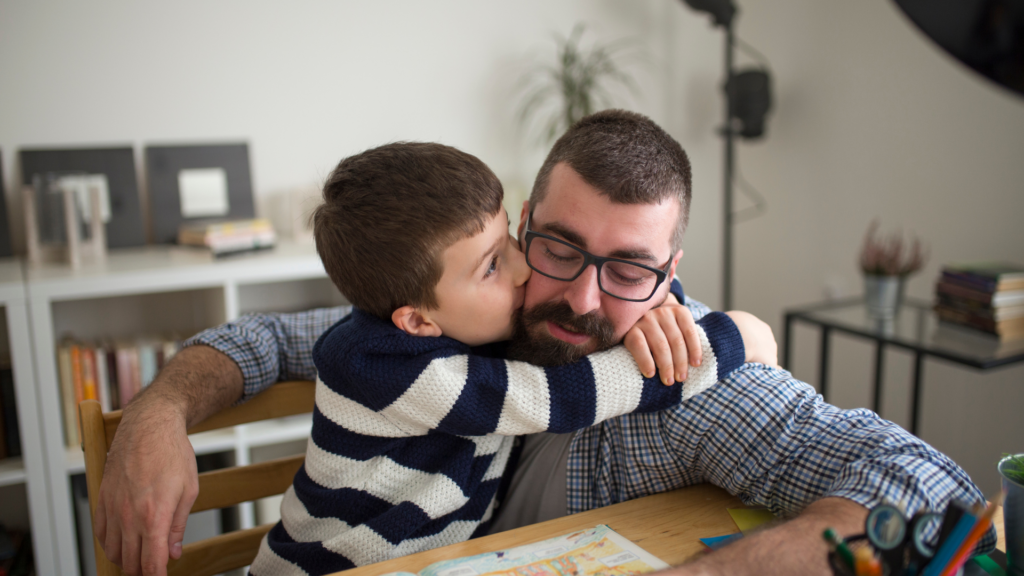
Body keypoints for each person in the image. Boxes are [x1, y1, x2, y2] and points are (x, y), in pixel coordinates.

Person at [96, 110, 993, 576]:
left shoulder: (674, 371)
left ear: (673, 269)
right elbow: (269, 340)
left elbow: (922, 488)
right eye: (558, 246)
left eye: (630, 269)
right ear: (522, 226)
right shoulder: (469, 309)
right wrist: (157, 410)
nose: (579, 297)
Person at [249, 142, 767, 574]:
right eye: (492, 265)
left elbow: (624, 270)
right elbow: (564, 397)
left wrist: (663, 297)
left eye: (510, 242)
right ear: (416, 322)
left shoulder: (459, 319)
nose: (523, 270)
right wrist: (731, 337)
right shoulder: (391, 368)